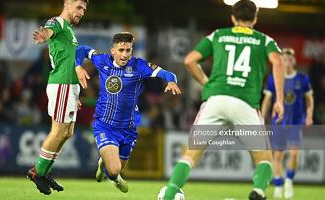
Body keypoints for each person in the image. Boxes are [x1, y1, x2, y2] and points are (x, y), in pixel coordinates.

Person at [162, 1, 284, 200]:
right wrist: (278, 99)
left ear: (233, 18)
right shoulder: (265, 40)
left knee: (190, 156)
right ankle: (258, 191)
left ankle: (168, 196)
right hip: (245, 103)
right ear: (255, 18)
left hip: (215, 100)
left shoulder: (217, 35)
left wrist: (206, 82)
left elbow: (189, 60)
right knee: (264, 160)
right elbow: (278, 62)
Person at [75, 32, 181, 193]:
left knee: (114, 169)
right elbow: (81, 50)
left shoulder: (139, 66)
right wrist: (78, 66)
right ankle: (113, 174)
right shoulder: (102, 60)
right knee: (115, 170)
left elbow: (167, 74)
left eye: (128, 50)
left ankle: (104, 164)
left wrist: (172, 80)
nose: (125, 54)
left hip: (128, 129)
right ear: (113, 50)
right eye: (121, 50)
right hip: (105, 126)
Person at [27, 0, 90, 195]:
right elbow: (49, 30)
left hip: (69, 87)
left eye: (84, 10)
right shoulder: (58, 22)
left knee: (67, 132)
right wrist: (44, 36)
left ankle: (44, 172)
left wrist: (74, 95)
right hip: (61, 84)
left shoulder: (69, 30)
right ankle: (38, 172)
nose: (81, 12)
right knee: (58, 131)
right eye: (79, 7)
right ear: (68, 4)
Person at [261, 48, 314, 199]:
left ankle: (289, 180)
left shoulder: (302, 79)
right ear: (281, 61)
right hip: (279, 122)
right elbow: (267, 99)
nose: (287, 62)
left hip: (295, 122)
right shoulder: (273, 79)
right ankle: (278, 187)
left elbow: (309, 99)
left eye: (290, 59)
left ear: (294, 61)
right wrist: (262, 118)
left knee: (294, 154)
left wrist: (309, 115)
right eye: (284, 59)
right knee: (277, 157)